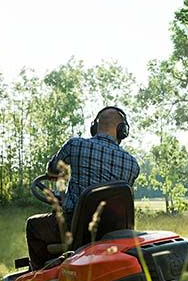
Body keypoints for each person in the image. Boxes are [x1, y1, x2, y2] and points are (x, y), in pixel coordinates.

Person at [26, 106, 140, 269]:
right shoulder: (133, 165)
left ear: (94, 127)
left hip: (74, 227)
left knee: (33, 225)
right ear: (122, 131)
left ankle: (40, 275)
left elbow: (52, 171)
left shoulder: (75, 145)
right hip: (113, 233)